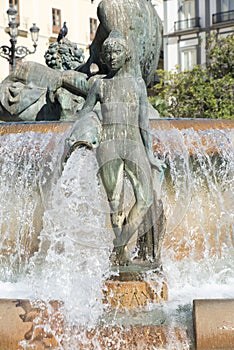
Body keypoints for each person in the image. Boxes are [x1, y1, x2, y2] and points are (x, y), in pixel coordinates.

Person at [75, 30, 165, 264]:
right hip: (108, 145)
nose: (112, 56)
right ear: (103, 58)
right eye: (108, 53)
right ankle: (122, 255)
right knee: (114, 204)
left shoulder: (137, 84)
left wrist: (150, 154)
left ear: (126, 55)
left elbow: (144, 122)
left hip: (133, 143)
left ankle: (118, 246)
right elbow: (84, 112)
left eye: (117, 52)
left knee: (144, 199)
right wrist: (88, 124)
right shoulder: (99, 85)